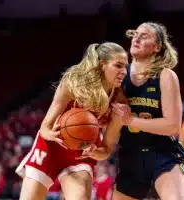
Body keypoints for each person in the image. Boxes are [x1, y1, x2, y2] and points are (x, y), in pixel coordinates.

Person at [15, 42, 128, 200]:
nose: (124, 71)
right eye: (118, 65)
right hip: (51, 147)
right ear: (102, 65)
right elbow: (46, 127)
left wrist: (96, 152)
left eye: (125, 67)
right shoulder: (74, 82)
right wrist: (52, 134)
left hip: (82, 152)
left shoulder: (120, 101)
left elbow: (107, 149)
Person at [111, 22, 184, 200]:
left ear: (157, 47)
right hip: (130, 157)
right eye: (135, 34)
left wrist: (130, 121)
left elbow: (172, 126)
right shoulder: (119, 75)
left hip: (163, 155)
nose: (136, 38)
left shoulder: (165, 76)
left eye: (144, 36)